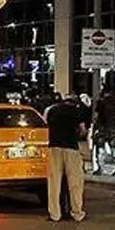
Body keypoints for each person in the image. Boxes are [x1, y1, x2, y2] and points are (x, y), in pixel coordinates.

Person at [45, 94, 87, 222]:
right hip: (71, 148)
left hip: (54, 147)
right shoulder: (76, 111)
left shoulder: (52, 110)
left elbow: (48, 125)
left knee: (54, 181)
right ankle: (77, 213)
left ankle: (55, 214)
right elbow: (83, 130)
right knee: (75, 182)